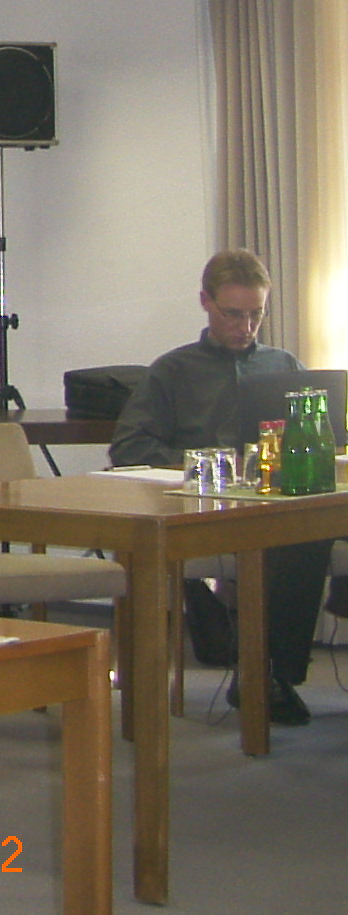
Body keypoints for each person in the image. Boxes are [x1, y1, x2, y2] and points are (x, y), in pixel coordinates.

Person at [109, 248, 329, 726]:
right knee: (296, 541)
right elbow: (129, 446)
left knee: (311, 531)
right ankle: (268, 675)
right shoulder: (173, 370)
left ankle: (270, 672)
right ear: (206, 303)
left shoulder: (283, 365)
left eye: (256, 315)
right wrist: (203, 465)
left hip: (271, 505)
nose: (245, 327)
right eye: (233, 314)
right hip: (204, 508)